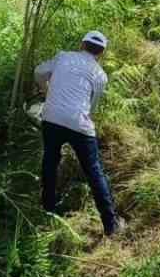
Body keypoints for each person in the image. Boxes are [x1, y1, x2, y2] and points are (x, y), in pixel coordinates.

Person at [35, 31, 122, 236]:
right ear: (101, 53)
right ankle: (111, 225)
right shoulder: (100, 75)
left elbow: (39, 72)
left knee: (50, 160)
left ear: (82, 44)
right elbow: (92, 107)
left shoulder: (63, 57)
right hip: (79, 124)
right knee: (93, 171)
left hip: (51, 118)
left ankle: (48, 208)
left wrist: (45, 90)